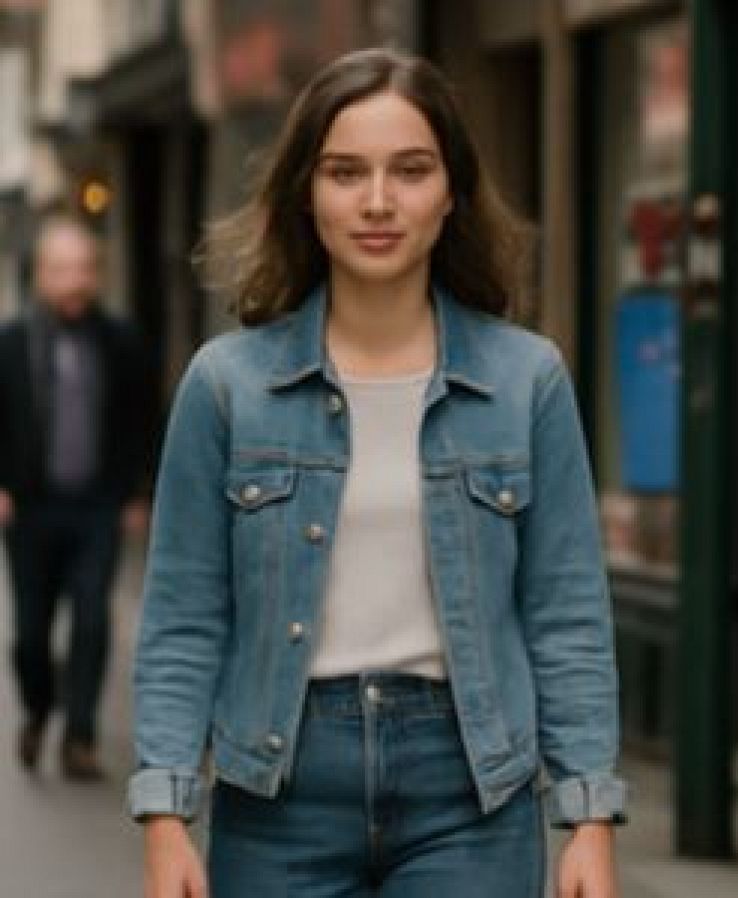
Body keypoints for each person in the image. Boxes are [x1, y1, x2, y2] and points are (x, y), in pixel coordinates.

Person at [132, 48, 625, 898]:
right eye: (344, 172)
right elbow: (184, 617)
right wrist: (166, 816)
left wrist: (587, 818)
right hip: (279, 793)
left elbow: (566, 612)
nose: (377, 201)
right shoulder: (227, 386)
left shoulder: (526, 380)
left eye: (410, 170)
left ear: (451, 193)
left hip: (470, 793)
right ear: (306, 193)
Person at [0, 213, 157, 782]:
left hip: (98, 507)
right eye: (61, 269)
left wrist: (137, 492)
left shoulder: (123, 341)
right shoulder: (11, 343)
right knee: (29, 634)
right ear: (40, 274)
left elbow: (145, 420)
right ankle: (40, 709)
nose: (74, 280)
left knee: (92, 620)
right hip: (30, 508)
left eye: (84, 268)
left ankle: (81, 737)